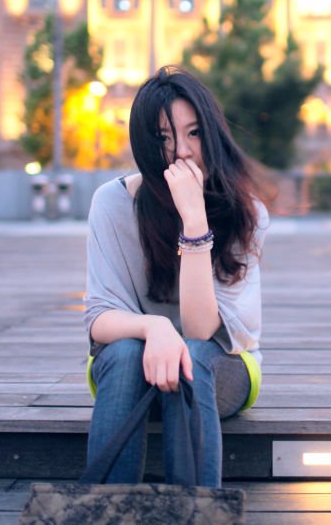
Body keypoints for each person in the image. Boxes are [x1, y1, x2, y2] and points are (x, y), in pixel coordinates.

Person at [84, 66, 271, 487]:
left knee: (195, 355)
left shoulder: (246, 212)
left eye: (193, 133)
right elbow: (99, 316)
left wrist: (193, 219)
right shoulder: (112, 204)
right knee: (125, 351)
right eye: (164, 138)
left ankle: (196, 512)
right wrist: (154, 327)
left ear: (211, 134)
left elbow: (203, 330)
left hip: (221, 368)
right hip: (131, 372)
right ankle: (109, 513)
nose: (182, 152)